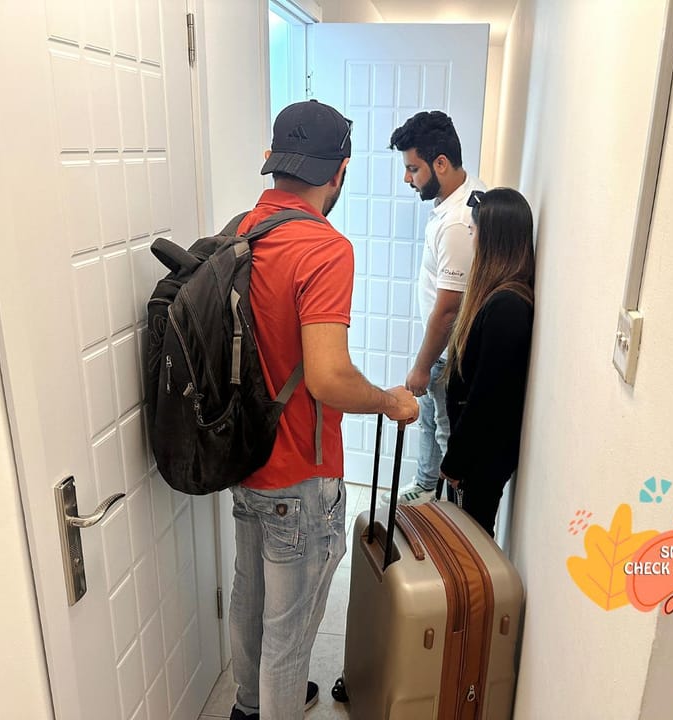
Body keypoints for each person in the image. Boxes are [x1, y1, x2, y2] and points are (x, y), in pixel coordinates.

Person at [227, 100, 419, 720]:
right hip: (299, 476)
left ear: (273, 161)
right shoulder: (324, 248)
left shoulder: (241, 231)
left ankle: (247, 708)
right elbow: (329, 377)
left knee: (249, 599)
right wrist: (389, 401)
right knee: (287, 637)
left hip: (244, 461)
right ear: (339, 171)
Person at [383, 110, 487, 506]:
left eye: (413, 169)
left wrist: (422, 366)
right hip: (442, 348)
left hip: (447, 351)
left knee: (447, 434)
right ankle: (426, 485)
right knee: (429, 421)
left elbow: (448, 310)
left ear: (440, 163)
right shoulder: (461, 196)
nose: (407, 178)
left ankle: (452, 514)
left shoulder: (459, 222)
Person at [439, 188, 535, 537]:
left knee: (470, 543)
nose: (472, 237)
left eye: (475, 230)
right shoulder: (499, 298)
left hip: (479, 459)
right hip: (476, 455)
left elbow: (487, 396)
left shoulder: (507, 307)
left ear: (494, 238)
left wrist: (455, 462)